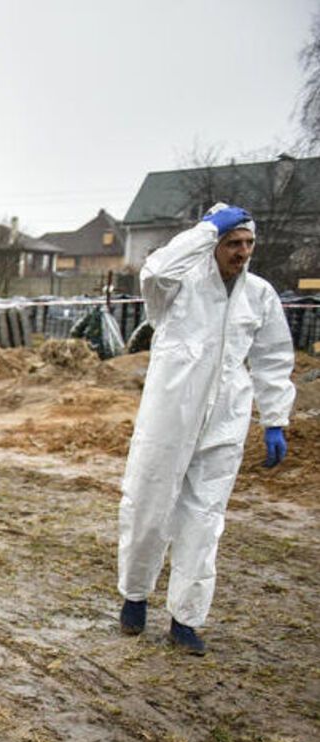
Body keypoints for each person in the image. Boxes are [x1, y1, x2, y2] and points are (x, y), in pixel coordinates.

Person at [117, 204, 295, 655]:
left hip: (225, 420)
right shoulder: (178, 287)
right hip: (170, 415)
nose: (242, 252)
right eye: (233, 242)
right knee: (148, 504)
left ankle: (186, 618)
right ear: (214, 243)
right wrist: (204, 230)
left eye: (248, 243)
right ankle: (135, 595)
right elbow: (153, 271)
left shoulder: (259, 295)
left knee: (205, 518)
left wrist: (275, 417)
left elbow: (273, 357)